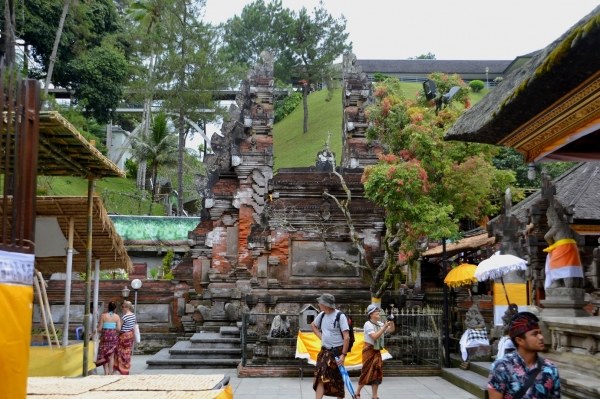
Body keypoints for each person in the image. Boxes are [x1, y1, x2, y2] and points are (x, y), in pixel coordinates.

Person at [488, 312, 560, 399]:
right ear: (519, 341)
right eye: (534, 334)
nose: (541, 337)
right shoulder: (501, 367)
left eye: (540, 333)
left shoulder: (550, 368)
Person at [311, 293, 350, 399]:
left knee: (337, 380)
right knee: (320, 378)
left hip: (337, 352)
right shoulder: (322, 315)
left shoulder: (340, 316)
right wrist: (321, 336)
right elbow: (313, 325)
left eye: (320, 303)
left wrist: (343, 355)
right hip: (324, 352)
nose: (318, 304)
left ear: (326, 304)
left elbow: (346, 337)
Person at [356, 304, 395, 399]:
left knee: (377, 372)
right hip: (369, 351)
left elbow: (392, 330)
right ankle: (357, 392)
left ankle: (374, 396)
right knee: (366, 371)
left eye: (378, 311)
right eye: (376, 311)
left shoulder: (380, 324)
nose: (378, 312)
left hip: (377, 351)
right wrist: (384, 327)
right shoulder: (368, 324)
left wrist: (391, 321)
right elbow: (374, 337)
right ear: (370, 314)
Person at [93, 301, 120, 375]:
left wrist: (95, 332)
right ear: (115, 308)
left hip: (105, 336)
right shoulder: (117, 316)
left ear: (108, 307)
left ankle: (106, 372)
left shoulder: (103, 315)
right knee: (111, 355)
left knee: (104, 354)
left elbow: (99, 329)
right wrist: (112, 328)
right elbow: (119, 329)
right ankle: (110, 372)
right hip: (113, 336)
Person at [114, 300, 137, 375]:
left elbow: (119, 327)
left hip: (124, 335)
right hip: (130, 334)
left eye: (123, 307)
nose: (122, 309)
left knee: (121, 352)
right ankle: (126, 368)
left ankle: (121, 368)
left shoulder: (125, 316)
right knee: (127, 352)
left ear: (126, 307)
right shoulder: (133, 315)